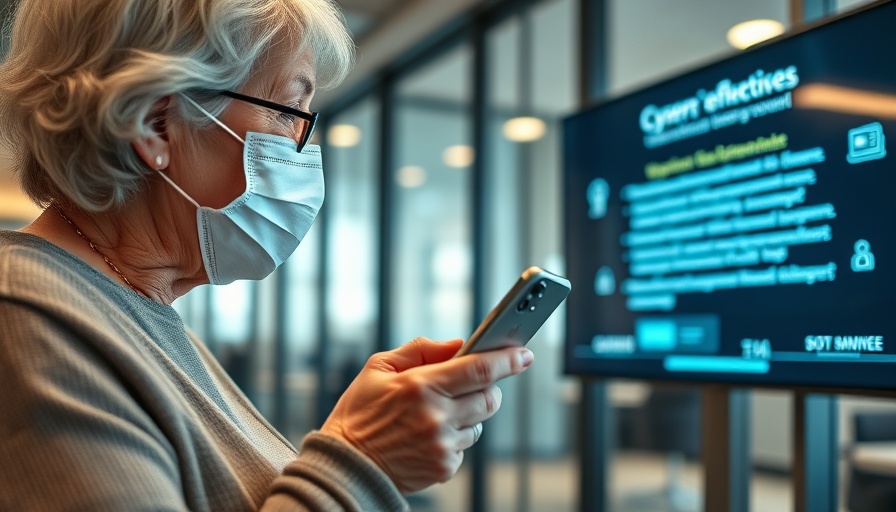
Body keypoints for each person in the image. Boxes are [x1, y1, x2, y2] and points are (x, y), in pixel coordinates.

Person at [0, 0, 534, 510]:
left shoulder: (138, 310)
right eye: (288, 112)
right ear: (154, 125)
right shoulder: (26, 317)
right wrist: (364, 460)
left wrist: (355, 434)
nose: (302, 147)